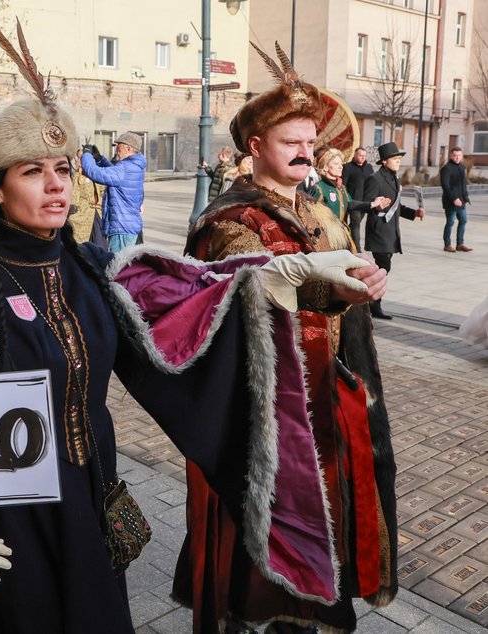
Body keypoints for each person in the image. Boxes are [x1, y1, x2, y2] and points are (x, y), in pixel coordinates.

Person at [0, 21, 376, 634]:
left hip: (91, 492)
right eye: (32, 171)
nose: (57, 185)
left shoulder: (92, 271)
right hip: (12, 517)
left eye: (63, 167)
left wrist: (289, 274)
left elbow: (189, 305)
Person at [184, 42, 396, 634]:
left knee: (326, 518)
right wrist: (328, 292)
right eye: (290, 143)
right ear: (256, 149)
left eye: (310, 142)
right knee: (270, 524)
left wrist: (366, 280)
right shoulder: (230, 219)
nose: (306, 153)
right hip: (268, 408)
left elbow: (345, 269)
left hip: (328, 389)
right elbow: (235, 298)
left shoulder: (319, 211)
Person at [364, 141, 425, 319]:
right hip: (379, 232)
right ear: (384, 161)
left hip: (391, 233)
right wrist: (377, 206)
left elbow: (397, 206)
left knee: (384, 269)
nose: (398, 161)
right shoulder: (374, 179)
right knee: (383, 268)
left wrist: (414, 213)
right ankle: (373, 305)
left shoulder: (394, 178)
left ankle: (372, 304)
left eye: (399, 159)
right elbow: (367, 203)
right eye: (395, 158)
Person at [80, 132, 146, 253]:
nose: (116, 151)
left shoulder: (125, 169)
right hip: (126, 226)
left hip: (122, 228)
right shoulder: (133, 166)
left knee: (117, 267)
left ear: (129, 148)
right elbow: (113, 173)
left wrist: (87, 154)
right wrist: (100, 159)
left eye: (119, 147)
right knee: (123, 266)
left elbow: (95, 173)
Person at [309, 148, 388, 225]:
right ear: (326, 167)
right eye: (336, 164)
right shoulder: (319, 188)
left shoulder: (341, 188)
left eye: (341, 164)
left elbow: (350, 203)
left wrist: (373, 204)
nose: (341, 167)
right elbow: (312, 214)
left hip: (341, 231)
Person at [342, 147, 375, 250]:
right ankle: (357, 248)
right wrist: (347, 198)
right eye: (360, 156)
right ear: (355, 155)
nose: (362, 158)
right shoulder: (347, 167)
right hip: (353, 202)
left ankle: (347, 240)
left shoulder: (369, 167)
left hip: (366, 202)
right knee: (356, 224)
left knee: (354, 224)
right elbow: (343, 185)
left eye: (364, 156)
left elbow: (373, 183)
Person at [440, 146, 471, 253]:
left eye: (459, 155)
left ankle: (460, 243)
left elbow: (463, 184)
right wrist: (454, 198)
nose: (457, 157)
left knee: (463, 220)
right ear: (450, 156)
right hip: (450, 201)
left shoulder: (462, 167)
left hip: (461, 201)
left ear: (461, 156)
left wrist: (465, 196)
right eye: (455, 155)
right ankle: (447, 245)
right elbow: (445, 185)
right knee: (450, 222)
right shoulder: (447, 168)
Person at [70, 147, 104, 244]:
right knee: (82, 245)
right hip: (83, 215)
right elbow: (74, 197)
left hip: (97, 214)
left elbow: (102, 190)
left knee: (99, 244)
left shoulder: (96, 174)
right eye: (80, 158)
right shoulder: (77, 176)